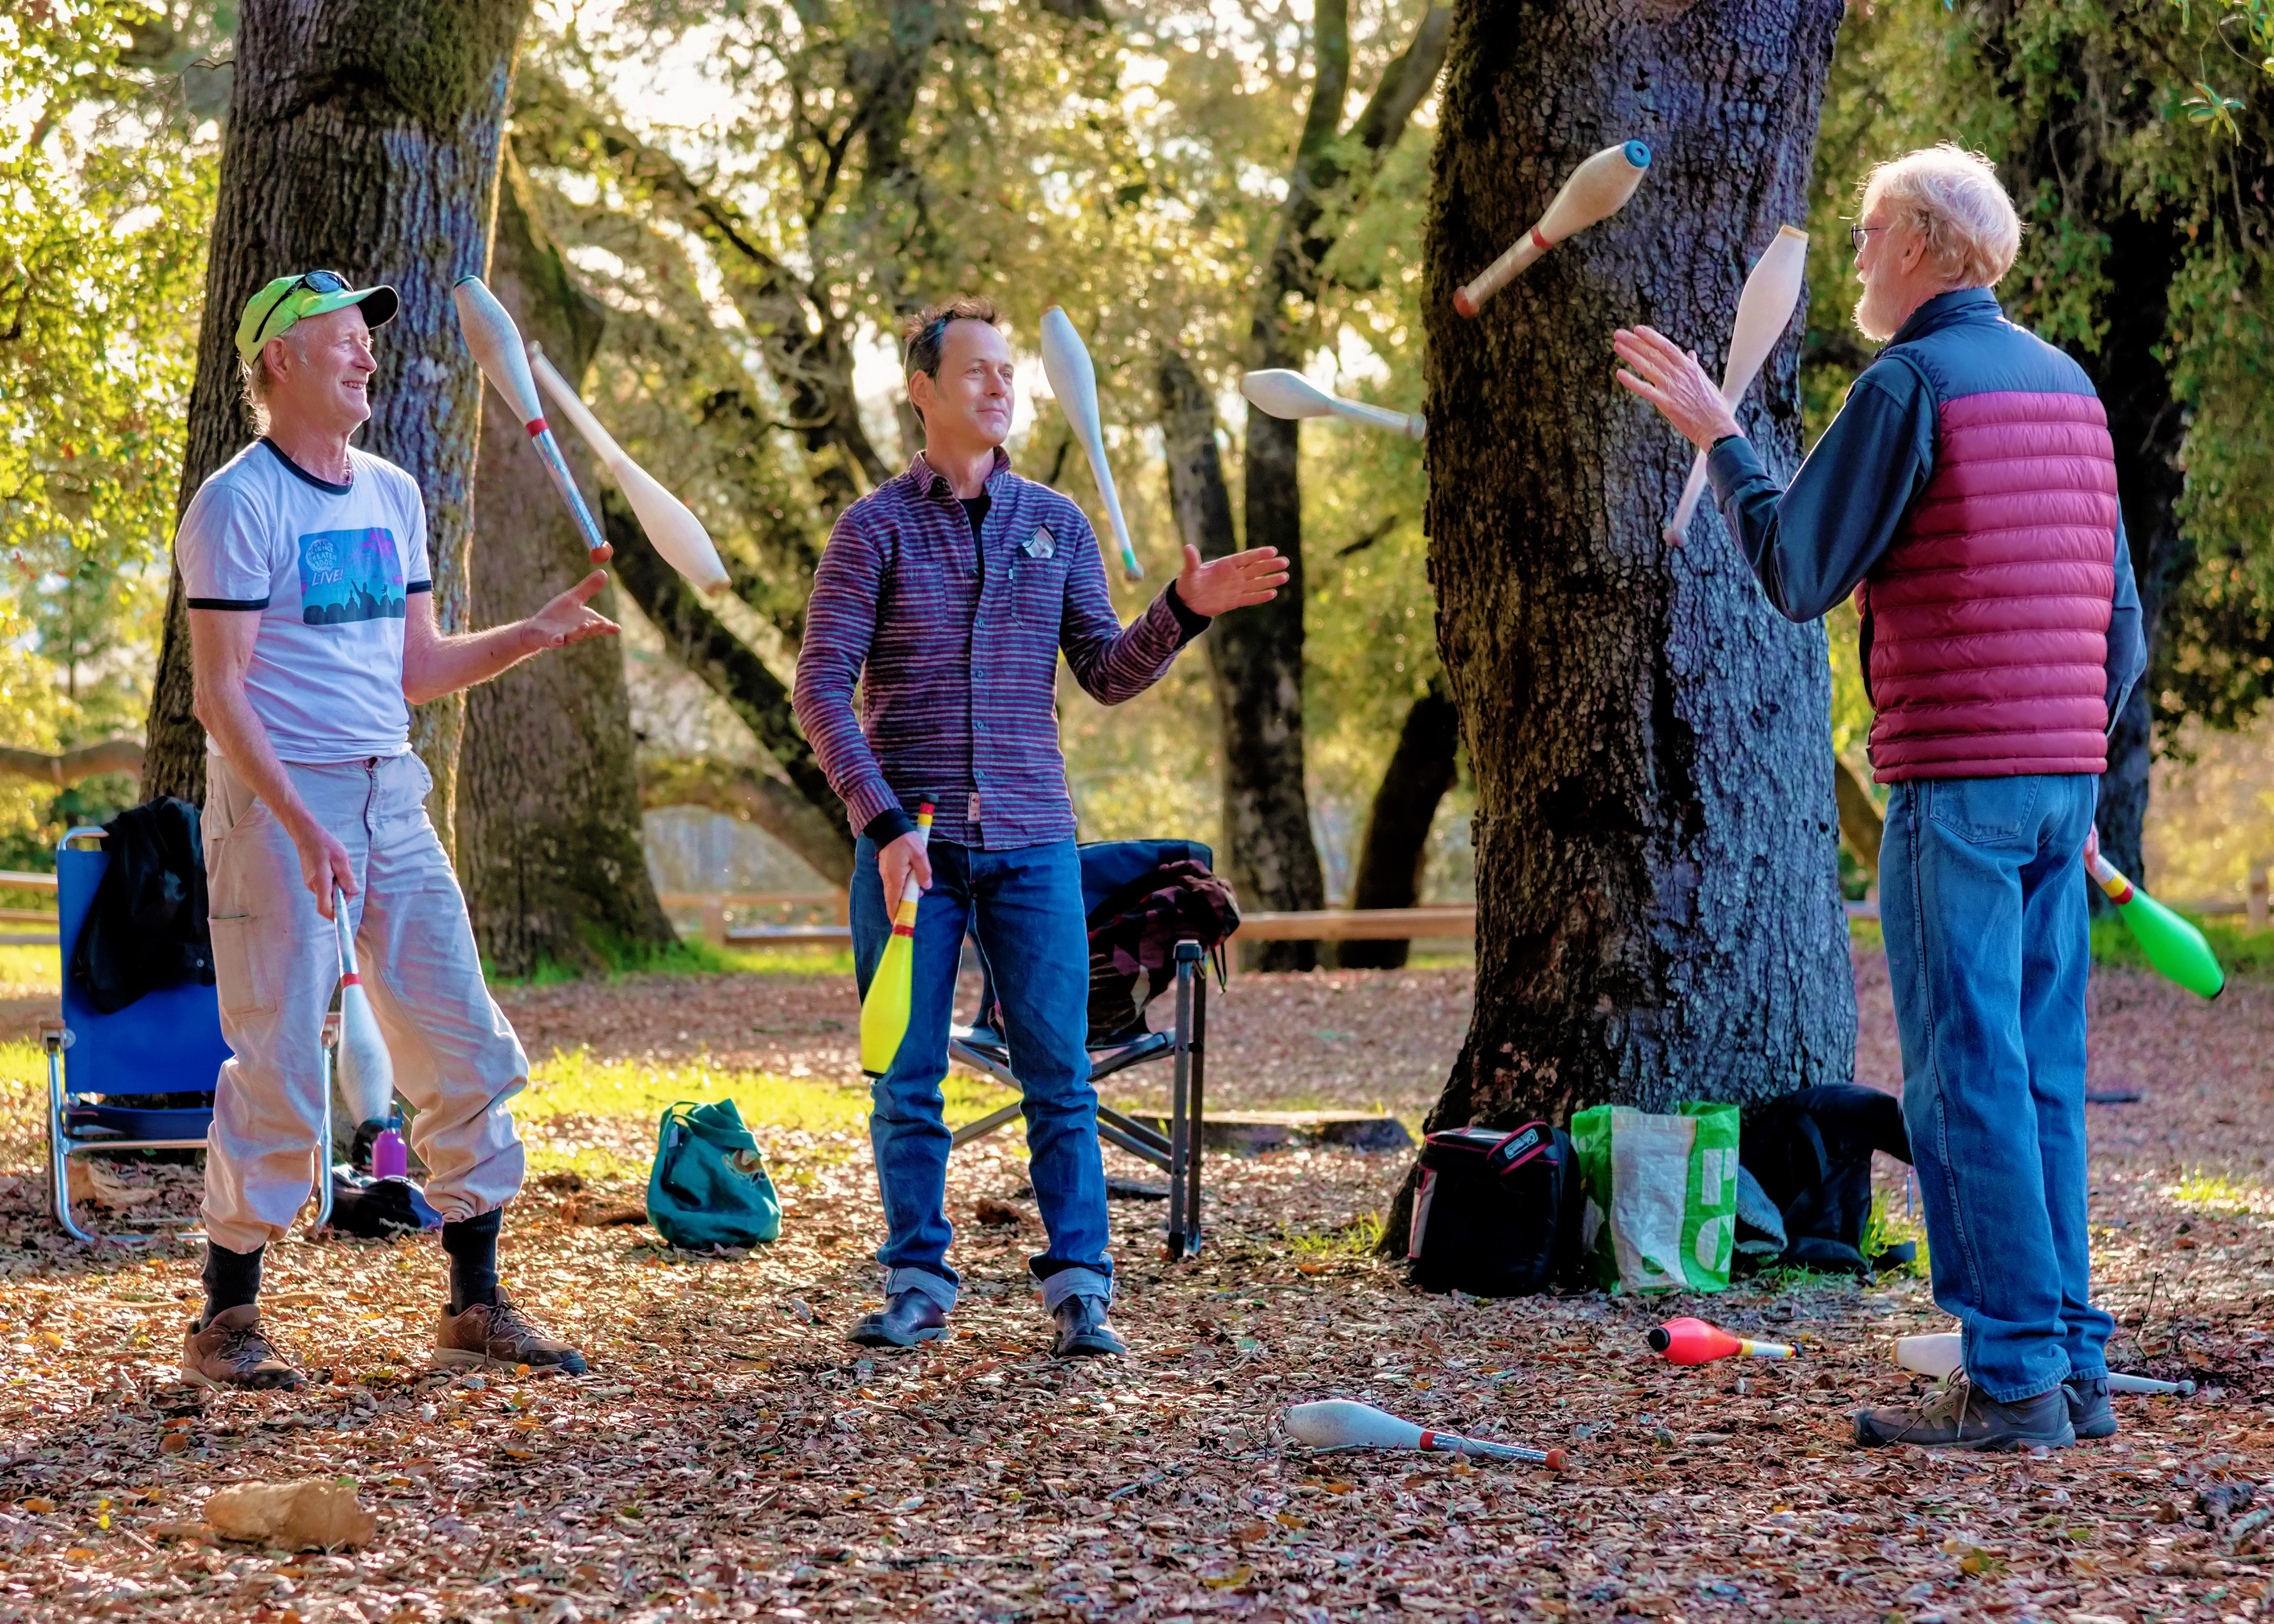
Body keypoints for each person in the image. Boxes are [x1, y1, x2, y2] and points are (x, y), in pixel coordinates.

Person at [1613, 146, 2147, 1451]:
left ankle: (2013, 1378)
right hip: (2058, 785)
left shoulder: (1910, 382)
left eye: (1865, 235)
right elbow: (2122, 632)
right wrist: (2072, 774)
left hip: (1958, 784)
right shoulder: (2070, 388)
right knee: (2043, 1083)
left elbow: (1799, 566)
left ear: (1918, 239)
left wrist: (1719, 436)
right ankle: (2071, 1367)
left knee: (1967, 1085)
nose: (1855, 260)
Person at [792, 297, 1288, 1358]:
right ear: (921, 390)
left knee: (1057, 1073)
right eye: (976, 372)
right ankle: (919, 1280)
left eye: (1009, 373)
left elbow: (1109, 672)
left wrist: (1185, 609)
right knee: (908, 1079)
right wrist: (883, 826)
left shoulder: (1054, 524)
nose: (1000, 388)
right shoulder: (870, 530)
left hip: (1033, 844)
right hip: (910, 852)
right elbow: (822, 689)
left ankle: (1080, 1289)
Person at [176, 270, 615, 1389]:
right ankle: (227, 1320)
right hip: (280, 802)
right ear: (281, 361)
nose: (368, 357)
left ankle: (474, 1304)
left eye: (368, 343)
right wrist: (298, 822)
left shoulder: (394, 493)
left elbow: (416, 668)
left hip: (390, 792)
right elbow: (221, 695)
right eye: (343, 342)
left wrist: (531, 631)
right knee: (278, 1057)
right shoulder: (238, 504)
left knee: (462, 1038)